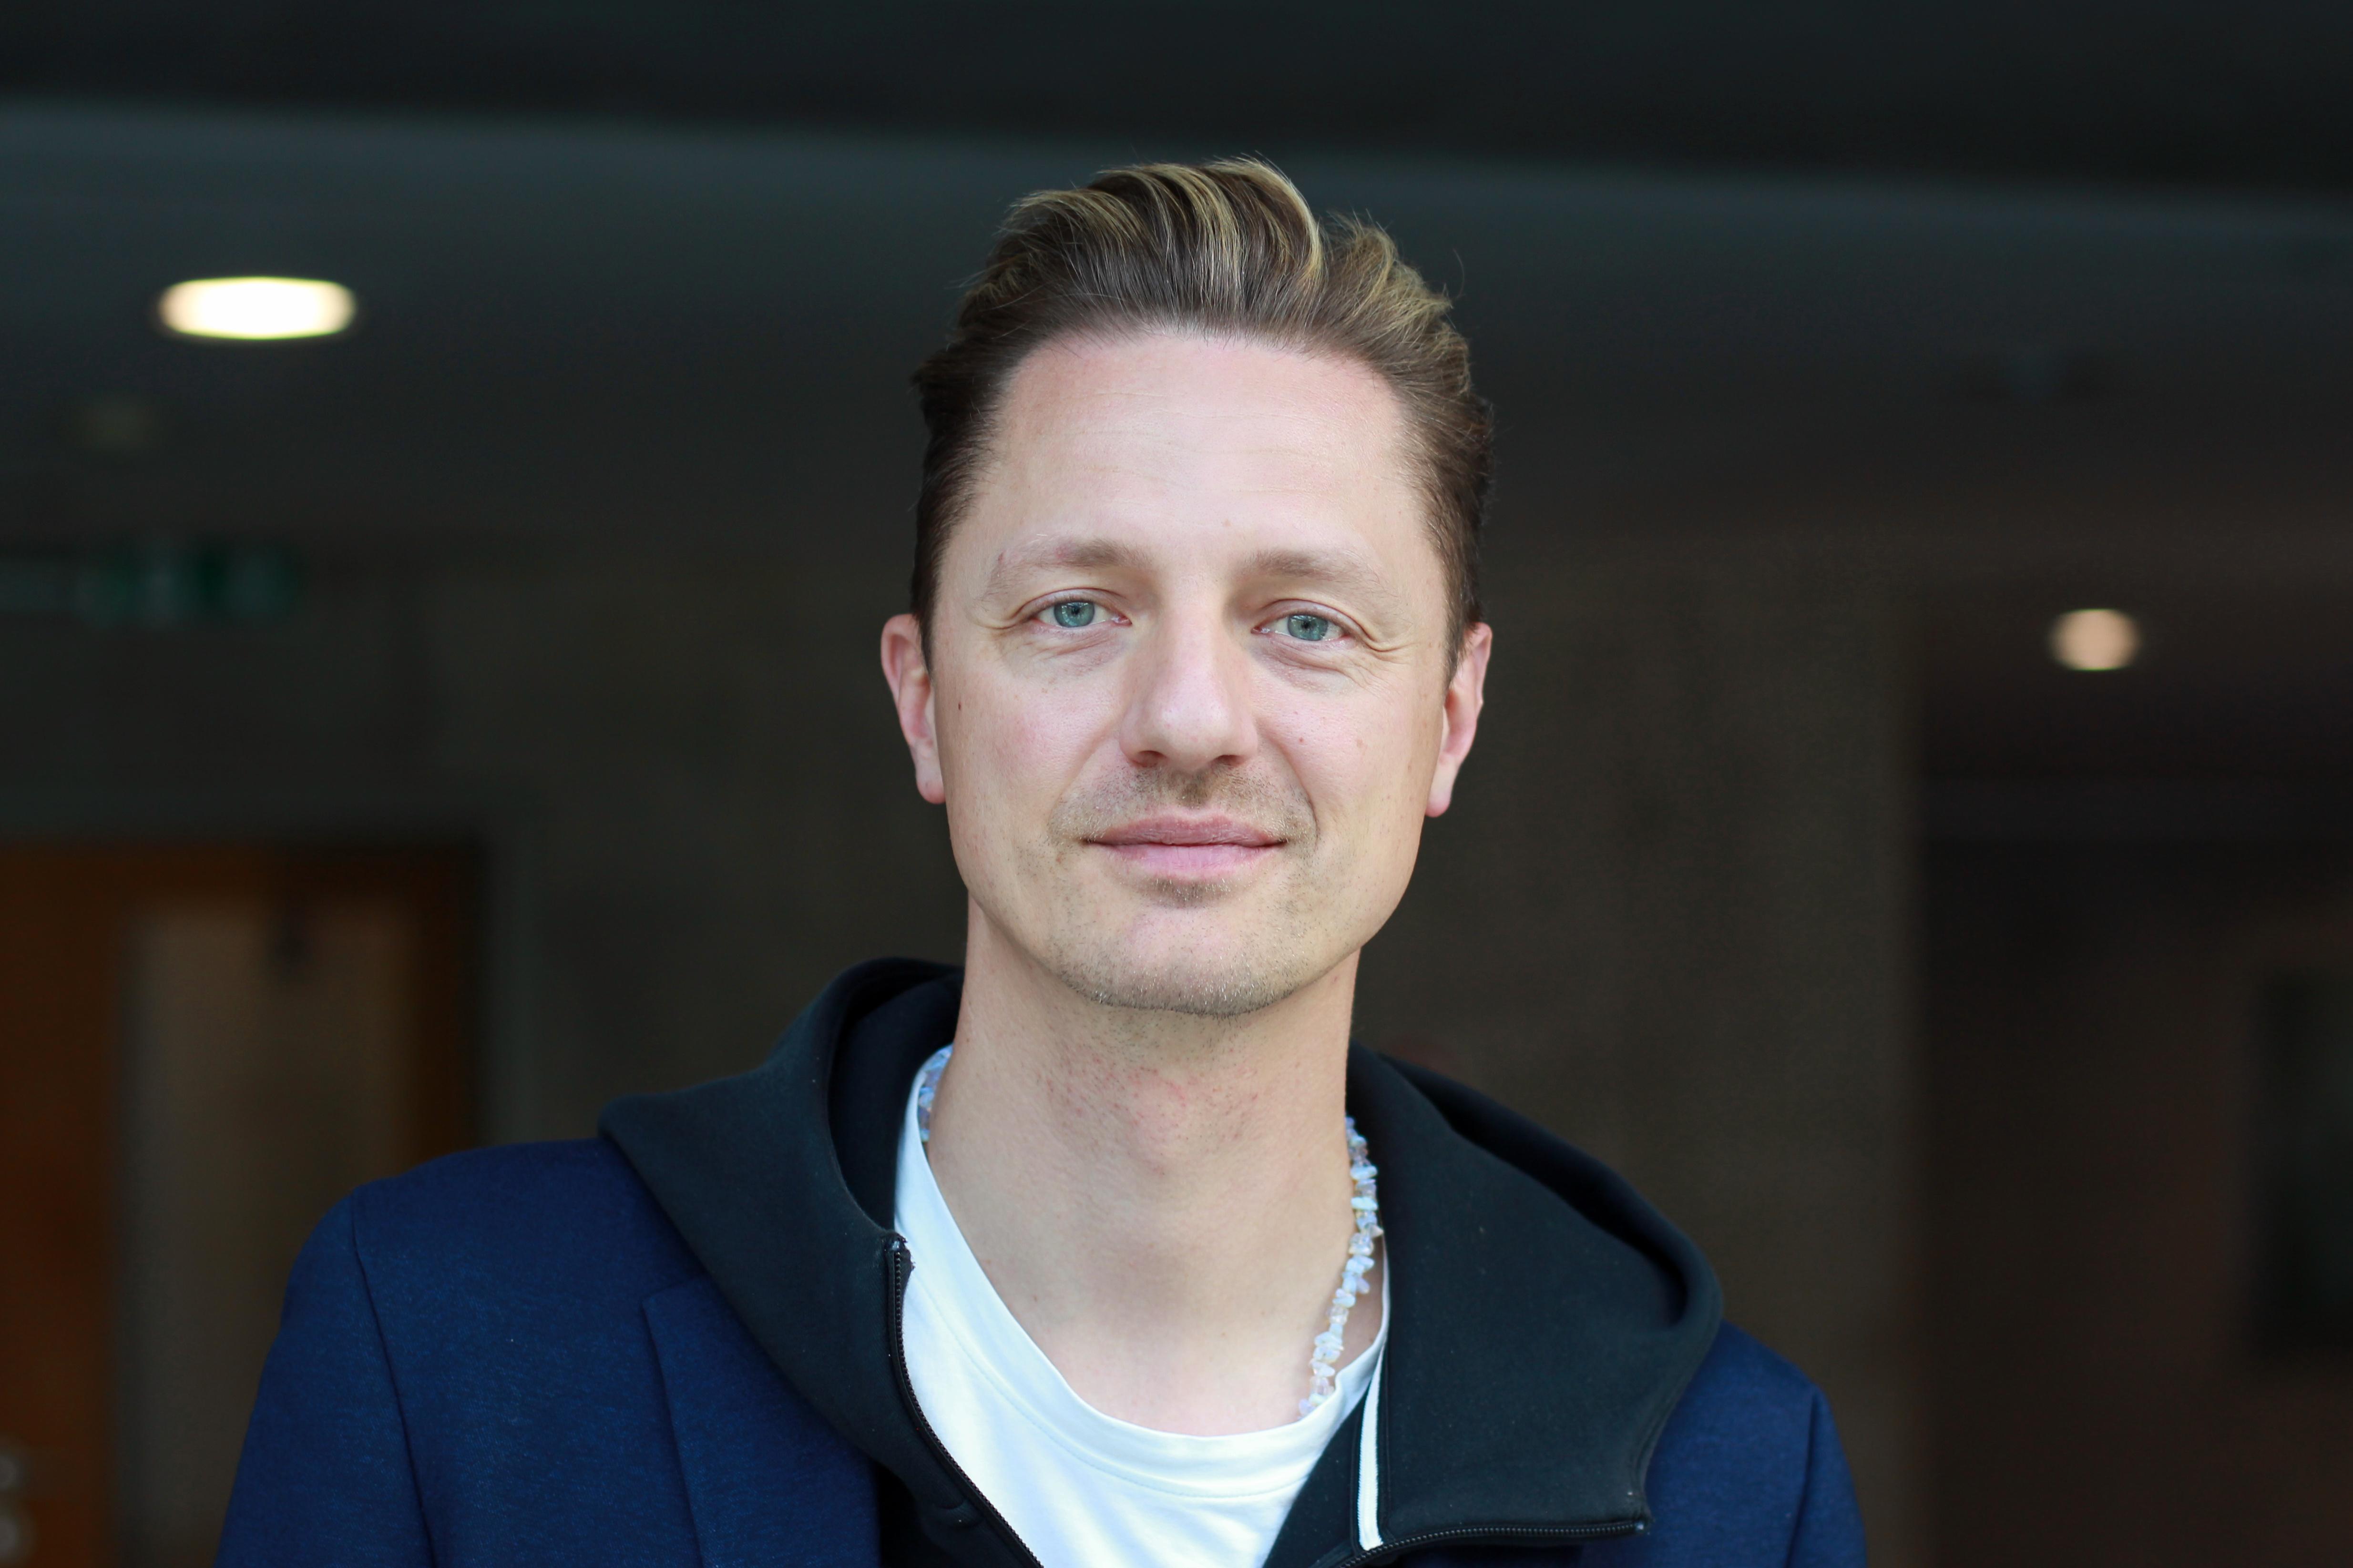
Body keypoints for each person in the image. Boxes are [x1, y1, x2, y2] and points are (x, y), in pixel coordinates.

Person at [219, 159, 1864, 1568]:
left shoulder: (1729, 1483)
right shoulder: (447, 1352)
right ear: (924, 699)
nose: (1191, 719)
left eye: (1306, 622)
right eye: (1077, 609)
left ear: (1447, 720)